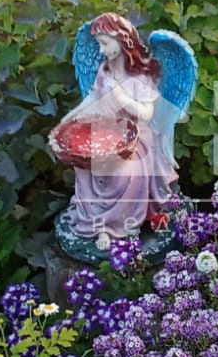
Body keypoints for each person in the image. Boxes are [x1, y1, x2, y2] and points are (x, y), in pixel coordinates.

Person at [51, 13, 178, 249]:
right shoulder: (105, 71)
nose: (101, 50)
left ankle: (119, 225)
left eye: (105, 43)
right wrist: (68, 119)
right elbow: (93, 97)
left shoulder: (141, 76)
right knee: (84, 168)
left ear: (122, 40)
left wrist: (122, 98)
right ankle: (99, 224)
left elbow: (147, 114)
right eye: (99, 44)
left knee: (123, 172)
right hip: (105, 133)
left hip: (136, 139)